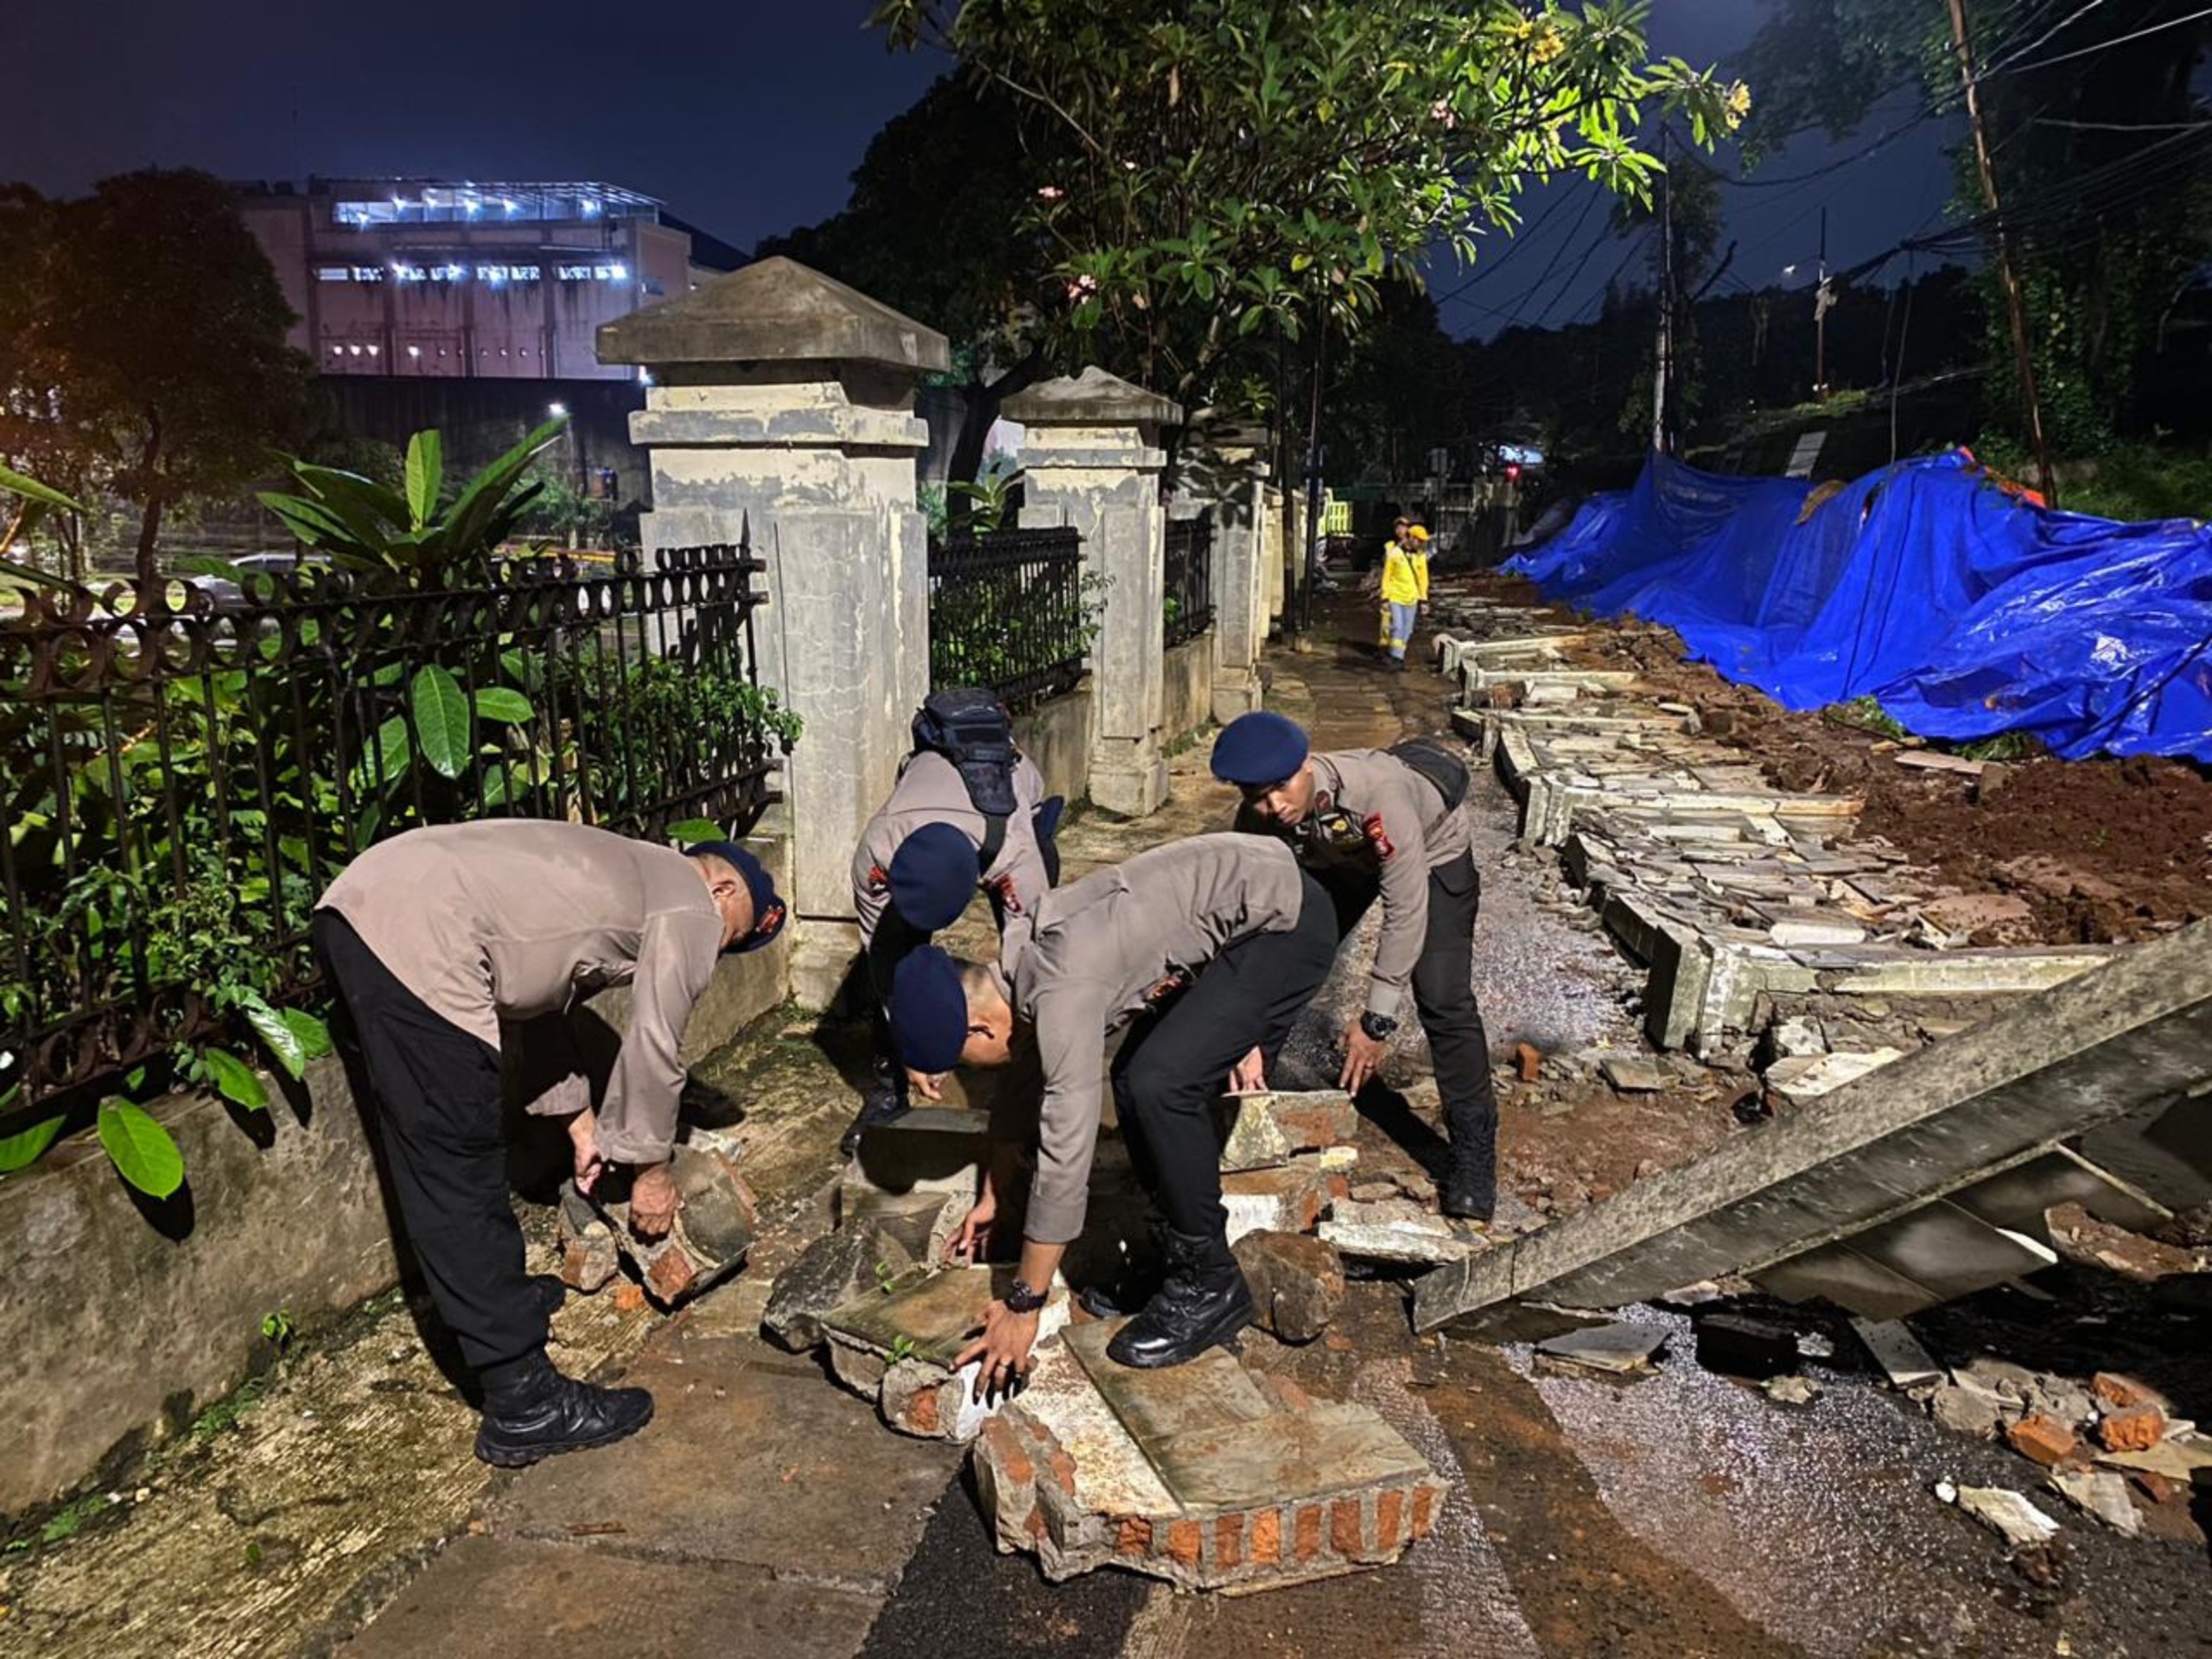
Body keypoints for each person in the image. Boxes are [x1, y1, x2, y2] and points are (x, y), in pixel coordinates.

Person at [313, 820, 785, 1467]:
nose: (717, 952)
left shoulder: (625, 875)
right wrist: (651, 1172)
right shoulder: (689, 901)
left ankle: (495, 1300)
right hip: (423, 930)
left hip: (366, 904)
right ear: (725, 888)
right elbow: (654, 1044)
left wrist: (581, 1125)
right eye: (731, 935)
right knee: (455, 1166)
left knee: (441, 1155)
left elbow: (538, 1005)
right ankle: (522, 1399)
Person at [887, 834, 1338, 1385]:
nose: (984, 1070)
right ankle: (1177, 1257)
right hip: (1247, 908)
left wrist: (1024, 1302)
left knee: (1162, 1084)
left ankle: (1209, 1281)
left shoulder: (1060, 988)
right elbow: (1027, 1073)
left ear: (981, 1026)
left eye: (973, 1062)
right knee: (1133, 1079)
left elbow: (1066, 1149)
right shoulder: (1017, 970)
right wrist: (995, 1196)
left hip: (1285, 922)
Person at [1211, 711, 1497, 1221]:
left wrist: (1376, 1020)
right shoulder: (1260, 818)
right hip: (1340, 860)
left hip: (1429, 856)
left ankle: (1474, 1157)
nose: (1273, 807)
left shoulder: (1379, 795)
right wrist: (1241, 1026)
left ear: (1305, 767)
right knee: (1287, 963)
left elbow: (1405, 909)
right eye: (1256, 796)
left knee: (1442, 995)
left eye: (1281, 788)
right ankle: (1240, 1113)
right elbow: (1251, 920)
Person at [844, 694, 1060, 1154]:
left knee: (1037, 960)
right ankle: (887, 1093)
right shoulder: (875, 862)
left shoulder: (1010, 852)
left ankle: (1036, 1077)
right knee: (891, 958)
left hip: (1015, 805)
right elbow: (887, 967)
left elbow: (1035, 951)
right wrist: (917, 1046)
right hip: (924, 806)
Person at [1376, 521, 1431, 671]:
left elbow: (1423, 580)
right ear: (1411, 538)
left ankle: (1398, 657)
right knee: (1398, 627)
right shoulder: (1394, 554)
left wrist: (1424, 600)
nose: (1421, 543)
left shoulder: (1420, 557)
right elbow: (1387, 577)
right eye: (1419, 540)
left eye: (1423, 541)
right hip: (1395, 597)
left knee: (1407, 630)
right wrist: (1385, 597)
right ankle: (1395, 658)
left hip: (1412, 599)